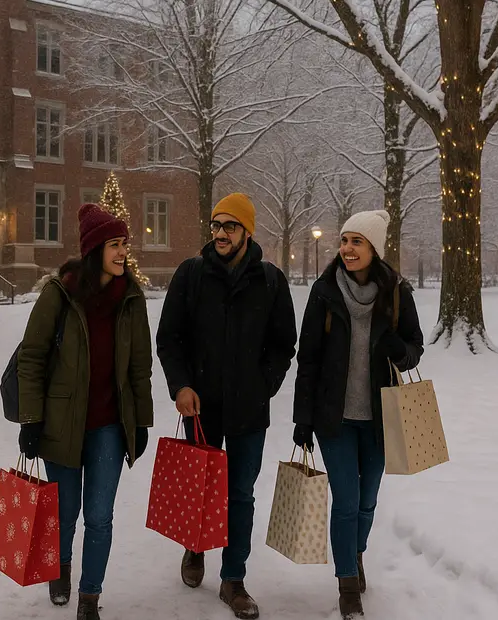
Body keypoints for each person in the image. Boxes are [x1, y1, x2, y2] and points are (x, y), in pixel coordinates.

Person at [156, 192, 297, 620]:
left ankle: (233, 579)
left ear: (247, 232)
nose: (219, 233)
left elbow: (283, 345)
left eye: (229, 226)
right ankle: (195, 547)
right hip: (199, 408)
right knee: (200, 487)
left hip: (249, 411)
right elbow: (169, 338)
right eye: (216, 226)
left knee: (240, 494)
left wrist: (264, 385)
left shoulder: (271, 281)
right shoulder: (191, 275)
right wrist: (180, 386)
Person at [17, 203, 155, 620]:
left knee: (99, 516)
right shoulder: (60, 294)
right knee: (65, 512)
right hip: (61, 423)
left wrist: (142, 421)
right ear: (95, 249)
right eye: (115, 245)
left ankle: (90, 597)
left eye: (124, 245)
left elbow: (139, 367)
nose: (122, 253)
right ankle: (59, 568)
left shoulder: (130, 298)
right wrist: (31, 419)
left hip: (109, 426)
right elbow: (32, 357)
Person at [292, 209, 424, 620]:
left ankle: (356, 551)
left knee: (368, 501)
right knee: (347, 500)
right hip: (336, 418)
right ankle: (347, 581)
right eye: (345, 241)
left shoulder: (398, 292)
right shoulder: (324, 292)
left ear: (374, 249)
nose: (347, 249)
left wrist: (397, 350)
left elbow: (415, 348)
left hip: (382, 417)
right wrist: (303, 417)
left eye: (356, 242)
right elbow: (308, 358)